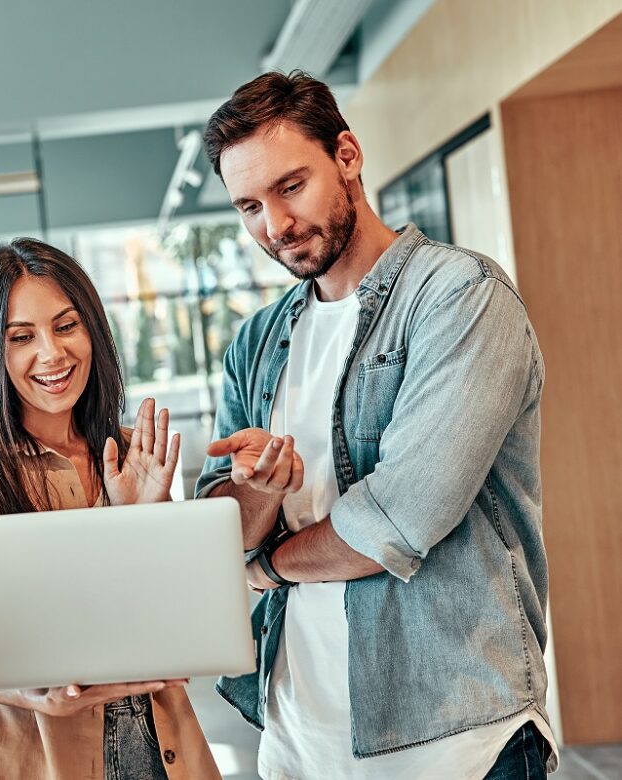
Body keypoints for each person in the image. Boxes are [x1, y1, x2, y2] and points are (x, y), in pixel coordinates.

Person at [195, 71, 554, 779]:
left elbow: (401, 515)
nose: (275, 225)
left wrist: (266, 566)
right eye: (249, 206)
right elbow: (218, 535)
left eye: (290, 187)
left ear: (348, 157)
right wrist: (260, 491)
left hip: (454, 739)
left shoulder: (460, 297)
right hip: (299, 737)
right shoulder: (257, 342)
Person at [0, 238, 220, 779]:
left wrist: (138, 524)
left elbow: (170, 623)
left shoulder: (131, 453)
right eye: (21, 337)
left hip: (157, 745)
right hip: (37, 755)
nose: (52, 354)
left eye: (66, 326)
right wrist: (36, 693)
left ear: (93, 332)